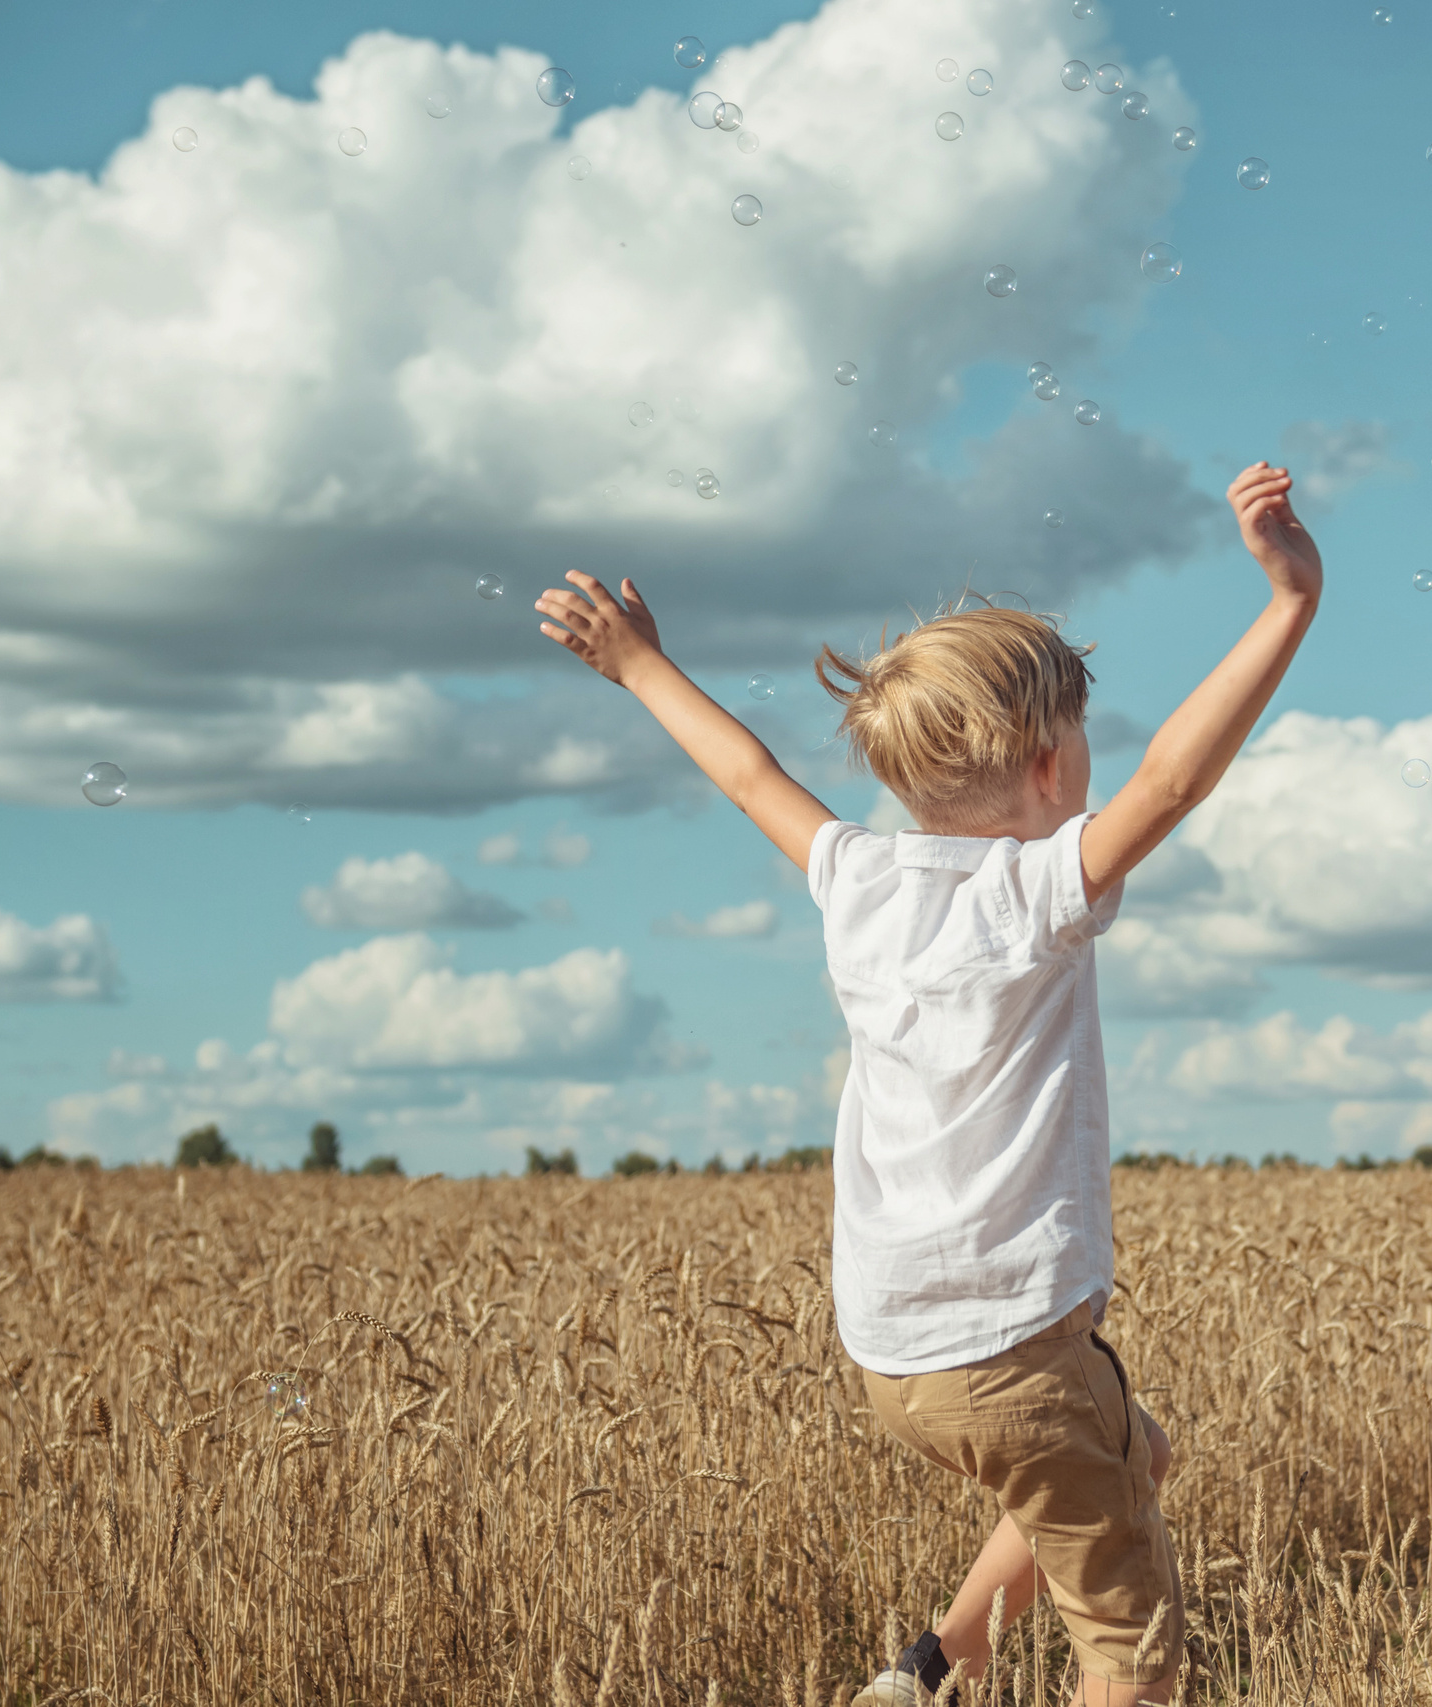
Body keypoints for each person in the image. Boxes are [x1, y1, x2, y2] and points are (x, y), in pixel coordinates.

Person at [535, 462, 1324, 1707]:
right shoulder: (1037, 894)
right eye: (1078, 740)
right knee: (1129, 1647)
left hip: (895, 1355)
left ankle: (923, 1676)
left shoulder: (854, 877)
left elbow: (744, 771)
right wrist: (1290, 602)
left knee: (1127, 1453)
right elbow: (1175, 779)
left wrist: (636, 664)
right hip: (1015, 1346)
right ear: (1049, 770)